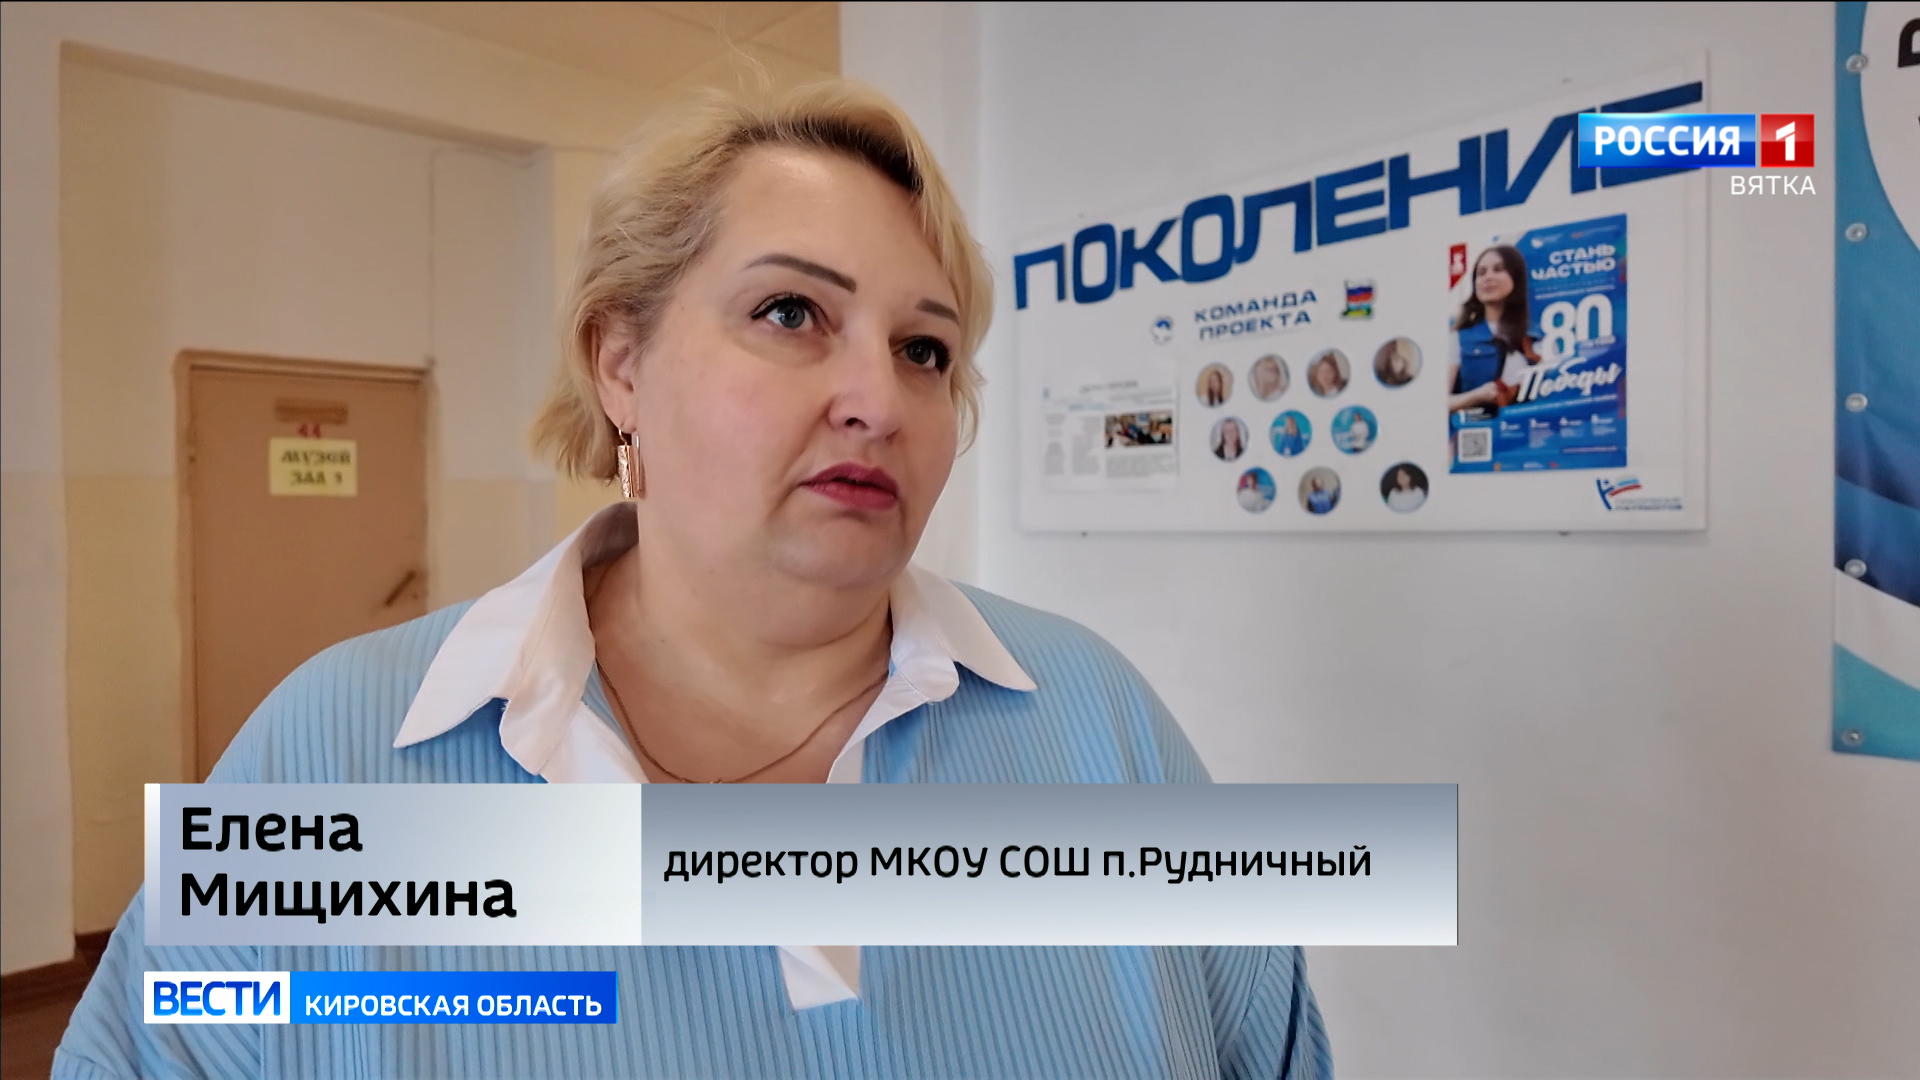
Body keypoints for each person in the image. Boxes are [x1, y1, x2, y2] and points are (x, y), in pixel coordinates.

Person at [56, 82, 1329, 1080]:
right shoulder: (333, 751)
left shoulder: (1100, 726)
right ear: (620, 362)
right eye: (791, 314)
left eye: (925, 349)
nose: (879, 399)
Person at [1447, 245, 1540, 414]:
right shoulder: (1459, 336)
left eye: (1498, 269)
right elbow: (1439, 403)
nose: (1488, 277)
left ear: (1516, 277)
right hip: (1474, 428)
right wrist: (1477, 396)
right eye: (1481, 273)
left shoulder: (1537, 337)